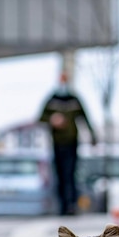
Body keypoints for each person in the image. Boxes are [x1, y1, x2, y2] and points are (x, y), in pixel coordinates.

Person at [39, 72, 96, 215]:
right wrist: (52, 119)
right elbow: (41, 118)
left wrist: (92, 135)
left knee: (70, 173)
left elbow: (85, 117)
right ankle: (62, 206)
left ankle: (71, 205)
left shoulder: (74, 99)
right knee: (59, 175)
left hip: (72, 141)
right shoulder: (52, 100)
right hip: (57, 143)